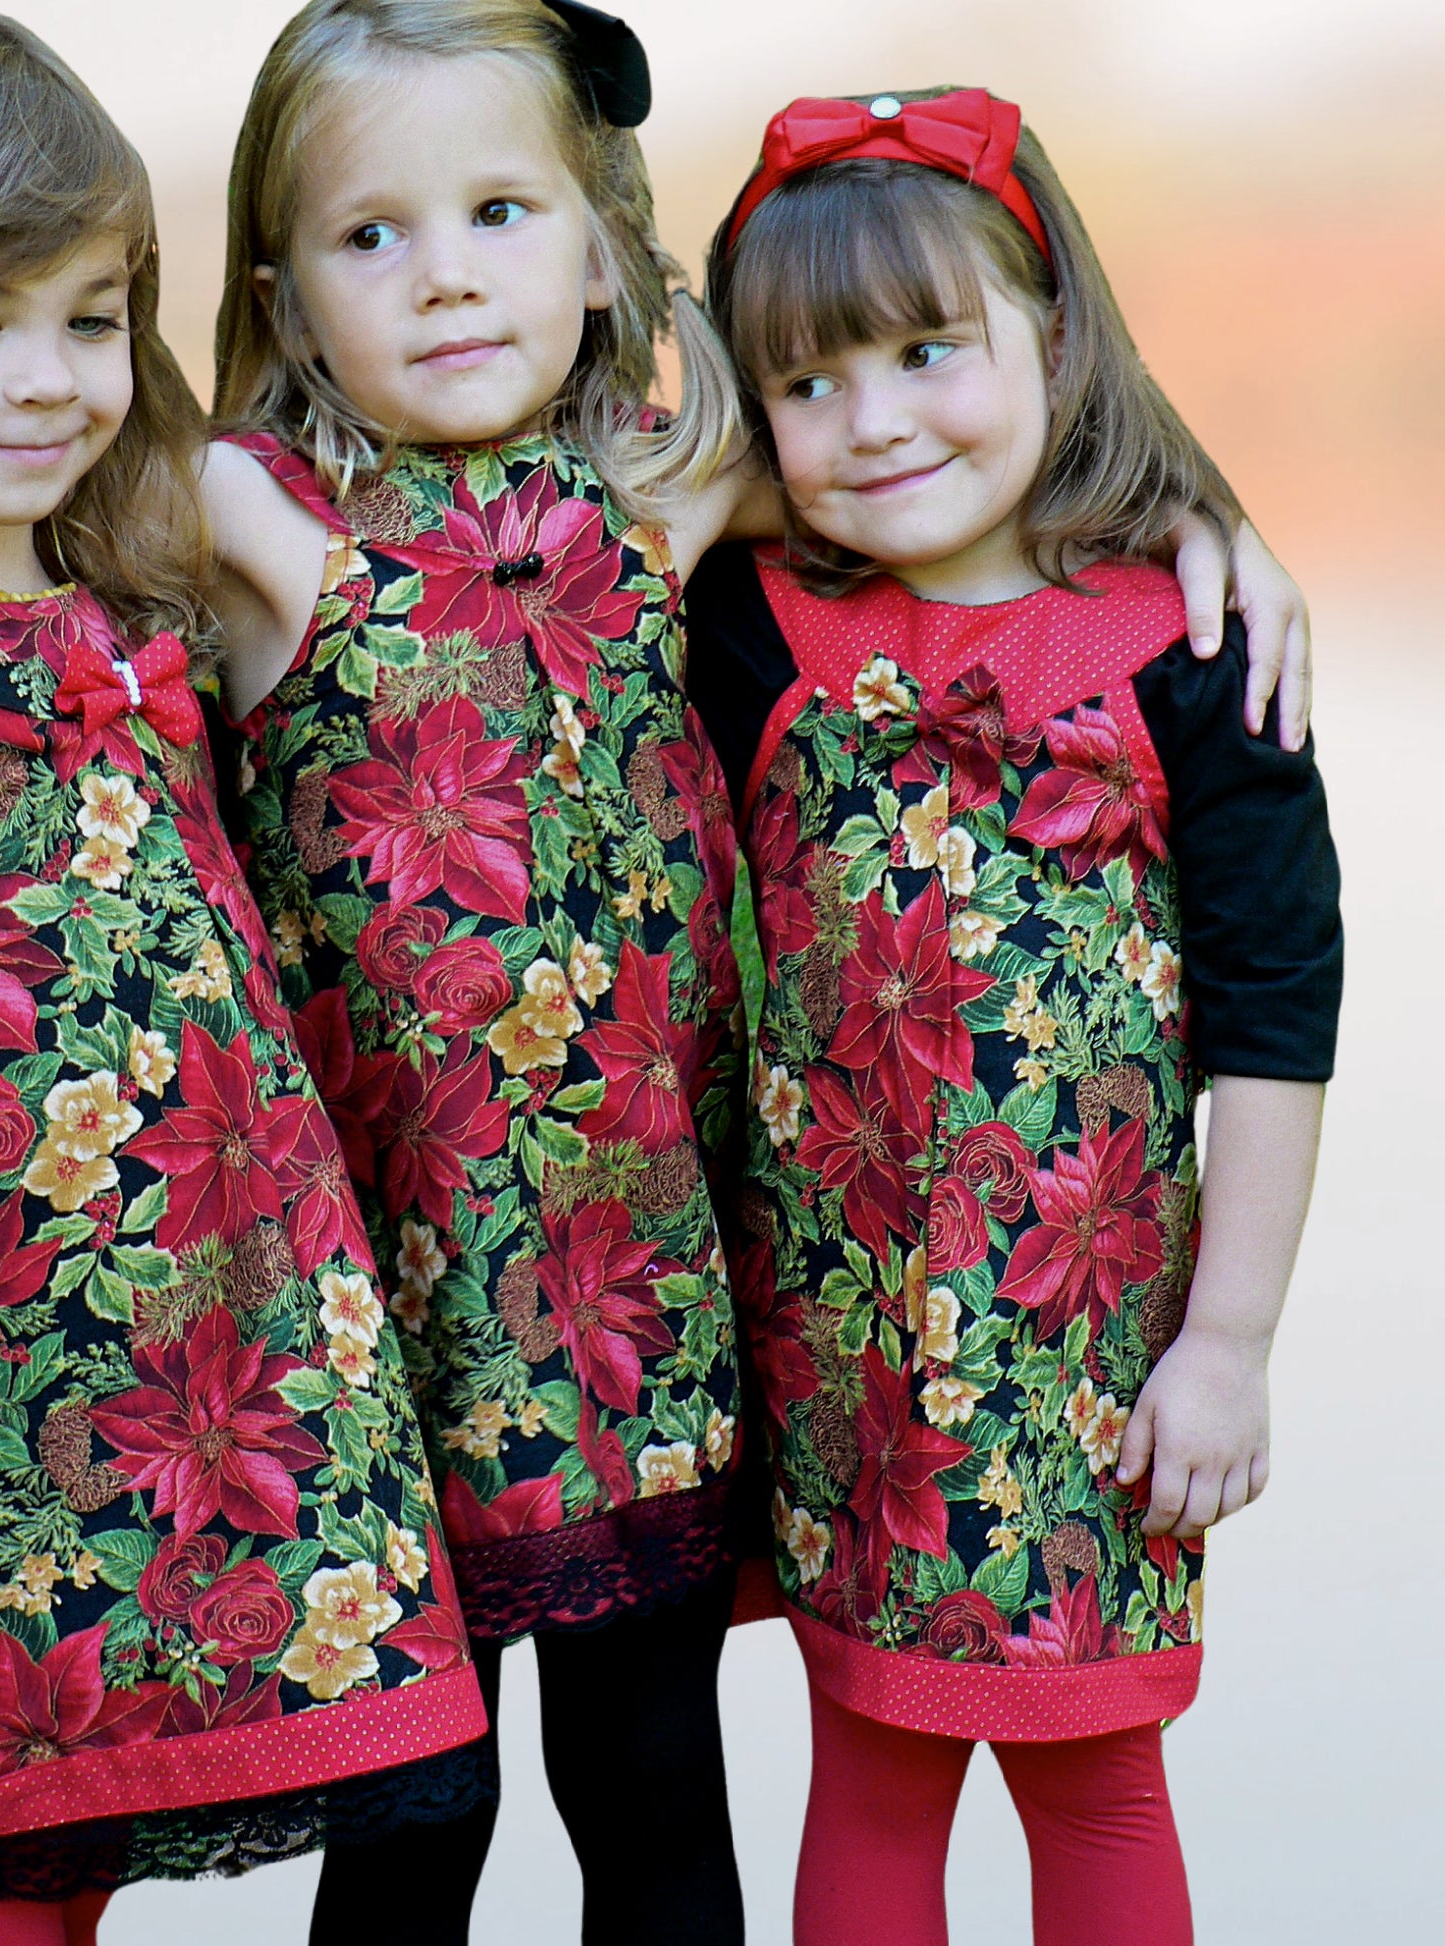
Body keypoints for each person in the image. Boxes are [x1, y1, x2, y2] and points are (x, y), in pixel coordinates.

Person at [0, 10, 1313, 1942]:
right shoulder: (243, 518)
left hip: (653, 1322)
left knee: (651, 1795)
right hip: (380, 1331)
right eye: (371, 237)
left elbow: (956, 481)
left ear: (600, 250)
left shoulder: (678, 484)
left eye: (502, 211)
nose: (444, 272)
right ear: (276, 289)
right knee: (411, 1843)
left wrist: (1214, 528)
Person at [0, 9, 490, 1943]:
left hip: (274, 1396)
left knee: (423, 1800)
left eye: (94, 317)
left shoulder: (154, 589)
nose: (52, 380)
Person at [686, 86, 1340, 1946]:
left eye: (926, 352)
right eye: (807, 383)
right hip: (844, 1343)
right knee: (864, 1769)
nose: (876, 420)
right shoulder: (750, 631)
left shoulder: (1196, 650)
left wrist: (1229, 1340)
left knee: (1095, 1777)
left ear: (1050, 332)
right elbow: (591, 547)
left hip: (1090, 1360)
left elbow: (1278, 1021)